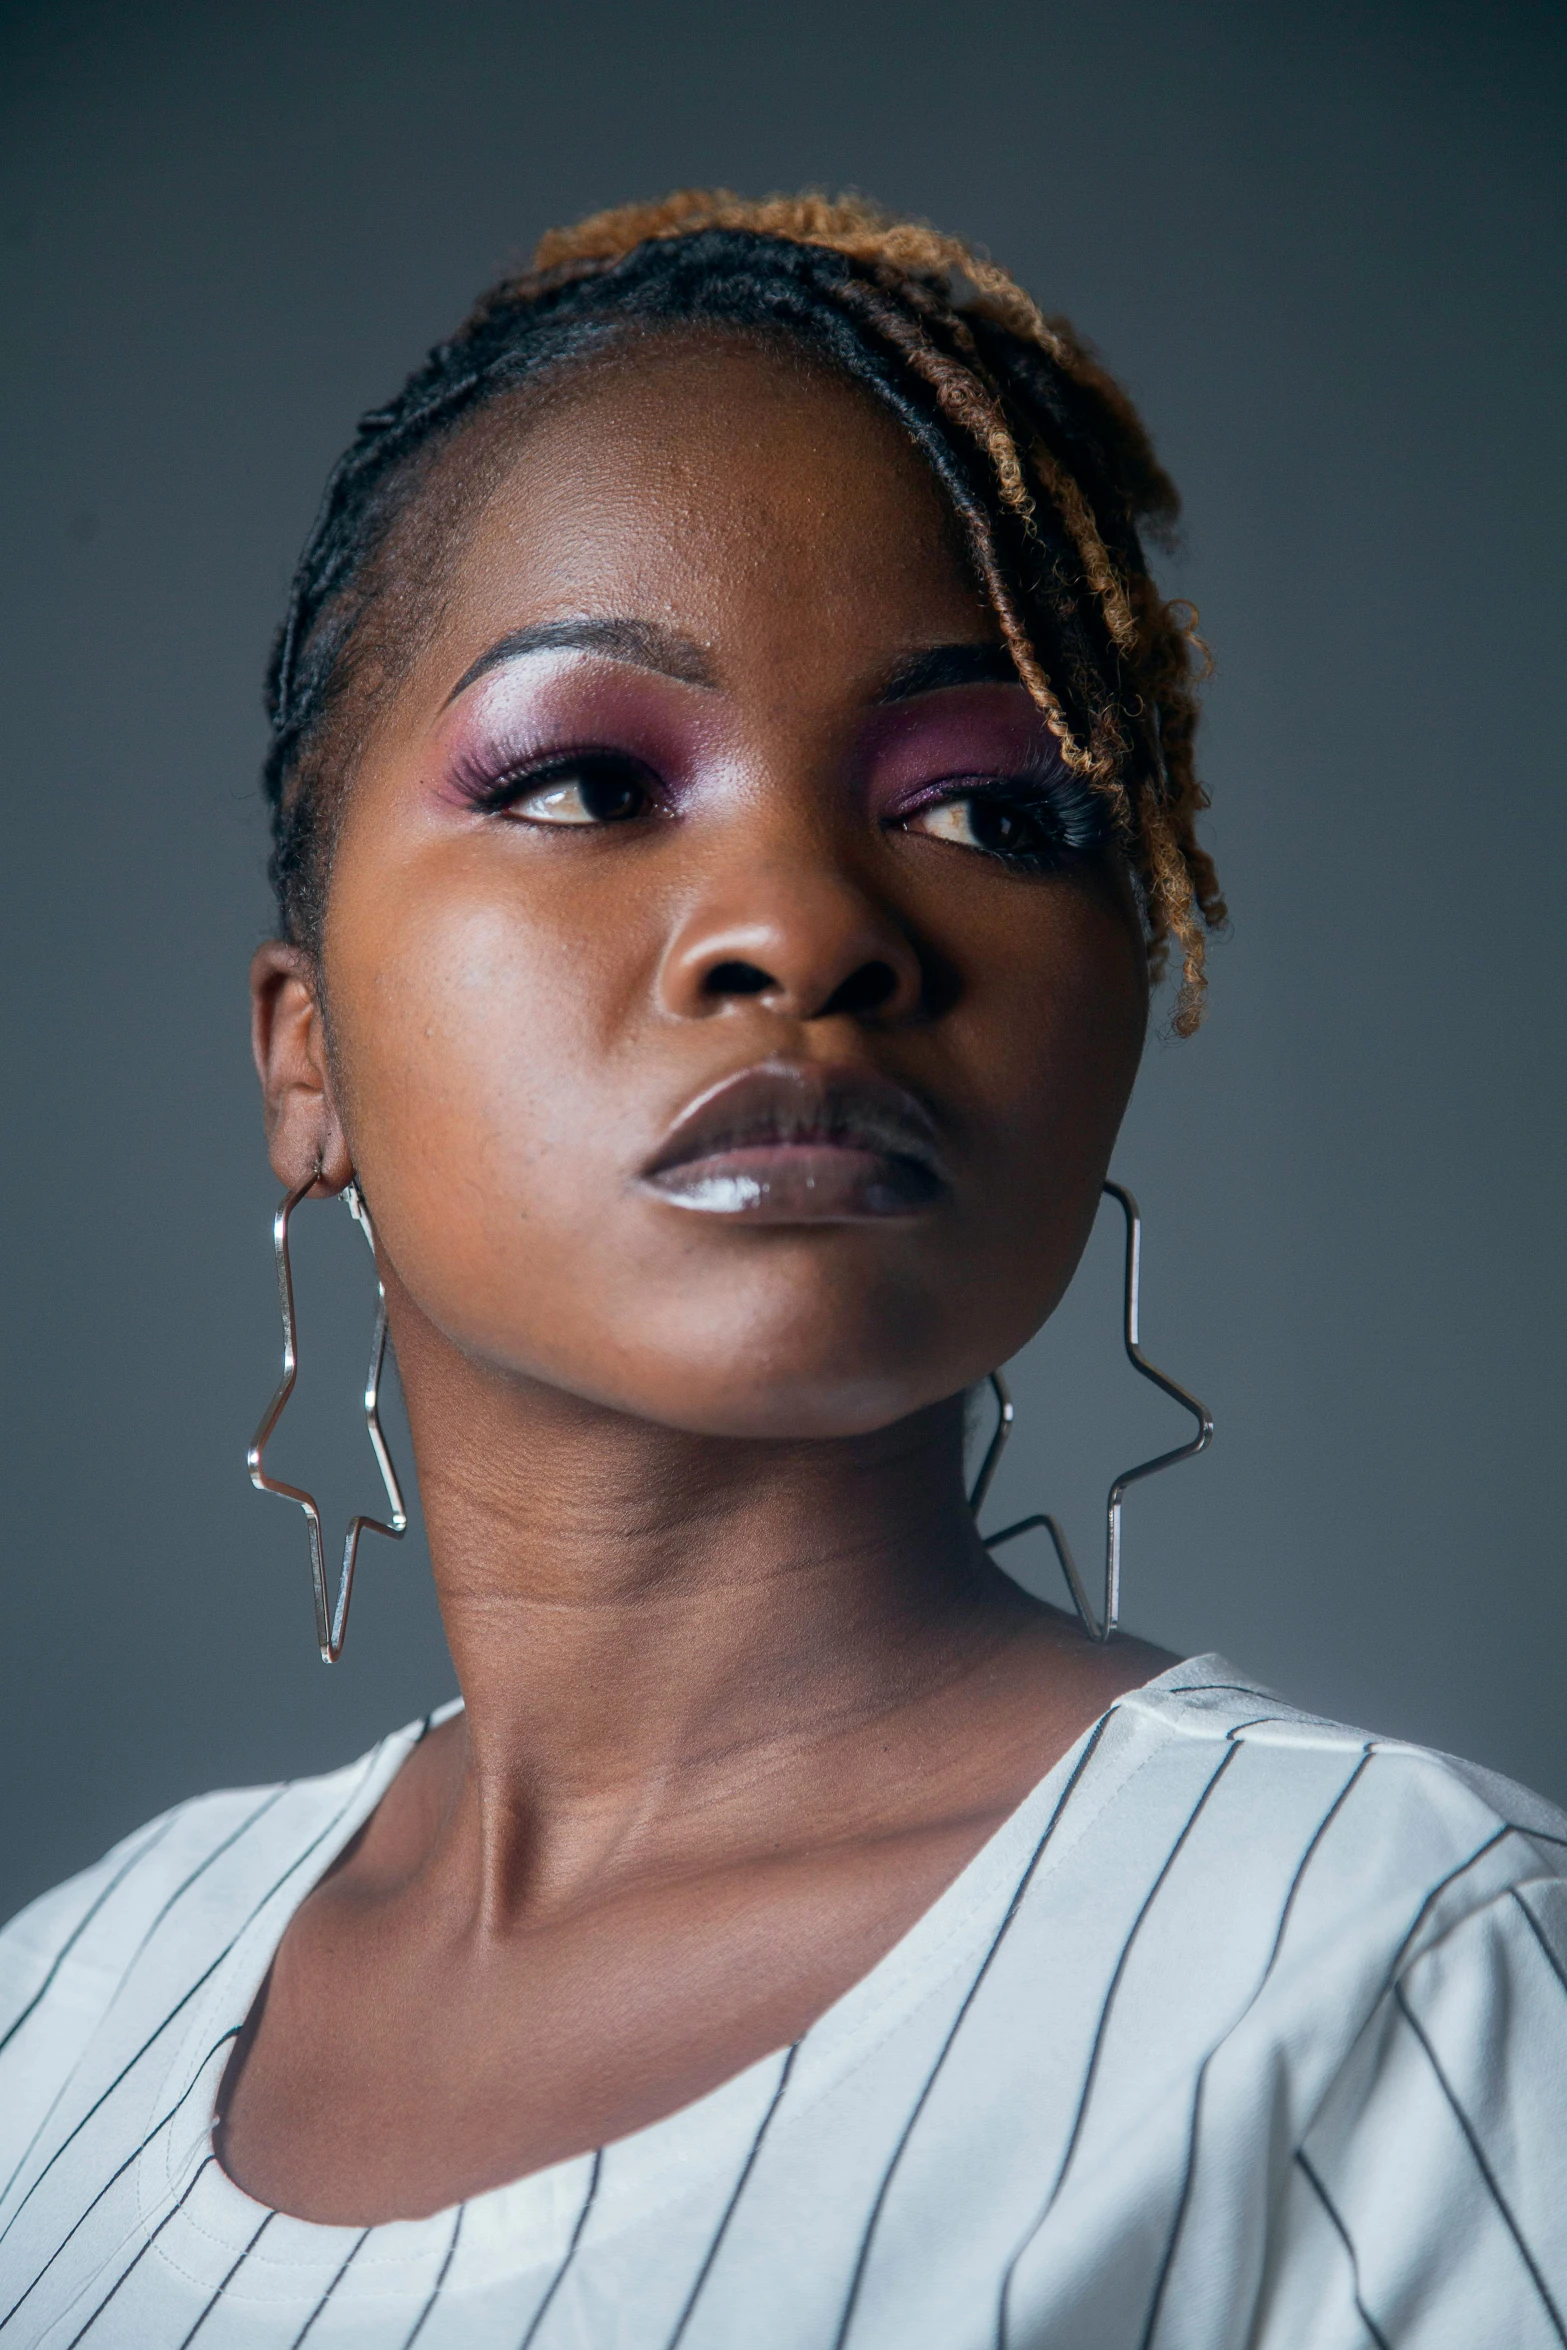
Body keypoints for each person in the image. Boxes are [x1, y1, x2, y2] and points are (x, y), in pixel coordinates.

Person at [1, 189, 1562, 2350]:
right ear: (306, 1055)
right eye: (584, 777)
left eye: (1000, 812)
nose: (805, 924)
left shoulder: (1386, 1973)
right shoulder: (56, 2016)